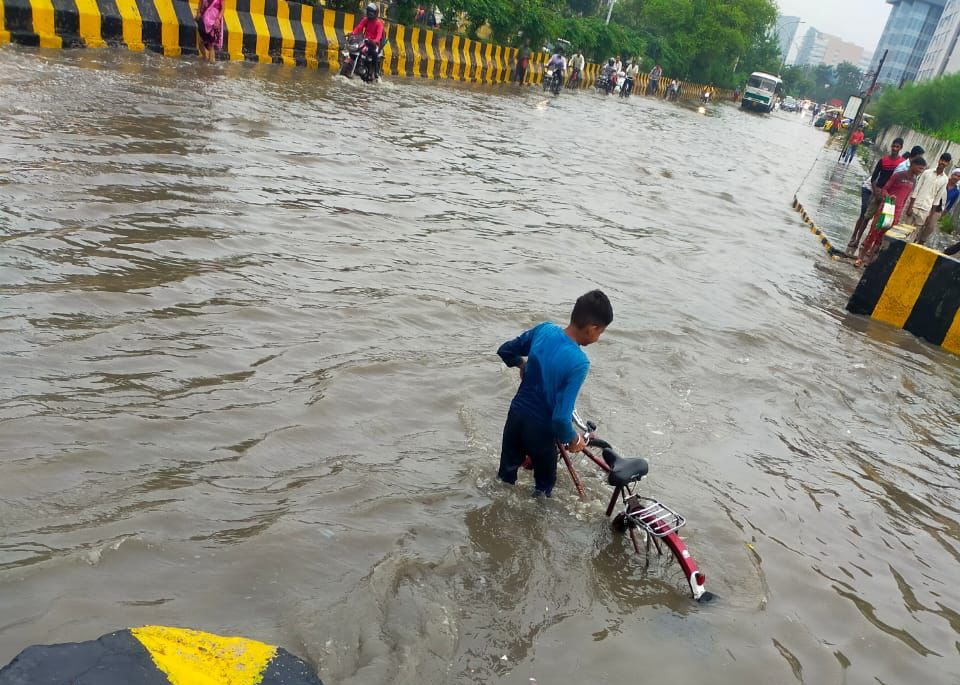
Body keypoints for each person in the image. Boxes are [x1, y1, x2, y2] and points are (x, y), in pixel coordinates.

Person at [496, 290, 613, 497]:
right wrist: (573, 439)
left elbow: (505, 350)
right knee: (543, 490)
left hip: (515, 418)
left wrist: (521, 364)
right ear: (592, 328)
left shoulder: (545, 330)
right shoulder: (579, 362)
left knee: (504, 481)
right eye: (600, 333)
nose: (598, 337)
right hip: (541, 432)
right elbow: (560, 418)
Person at [857, 157, 927, 267]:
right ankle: (860, 257)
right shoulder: (898, 175)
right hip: (886, 208)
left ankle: (869, 261)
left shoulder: (913, 181)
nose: (921, 171)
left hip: (896, 212)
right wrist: (889, 197)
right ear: (912, 165)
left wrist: (901, 212)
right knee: (874, 233)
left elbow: (905, 198)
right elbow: (884, 189)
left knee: (882, 237)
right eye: (920, 168)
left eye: (923, 169)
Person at [847, 137, 904, 254]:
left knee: (882, 222)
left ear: (900, 148)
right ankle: (856, 239)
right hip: (877, 193)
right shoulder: (883, 160)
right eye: (893, 146)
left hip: (889, 197)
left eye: (897, 147)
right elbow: (874, 178)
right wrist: (876, 192)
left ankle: (871, 247)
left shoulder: (901, 163)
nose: (894, 148)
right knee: (866, 216)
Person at [907, 153, 952, 245]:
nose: (943, 162)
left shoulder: (945, 179)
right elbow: (916, 189)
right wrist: (910, 206)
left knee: (914, 234)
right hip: (915, 205)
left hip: (926, 210)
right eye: (942, 160)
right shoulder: (926, 172)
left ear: (948, 164)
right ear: (938, 160)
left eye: (945, 161)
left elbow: (937, 199)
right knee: (905, 229)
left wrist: (930, 216)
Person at [351, 2, 385, 80]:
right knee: (356, 49)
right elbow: (359, 27)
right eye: (368, 11)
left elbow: (379, 35)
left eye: (371, 12)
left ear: (375, 13)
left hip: (374, 43)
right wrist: (352, 34)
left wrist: (375, 41)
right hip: (365, 41)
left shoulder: (379, 24)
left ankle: (376, 72)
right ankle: (358, 66)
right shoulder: (365, 19)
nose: (369, 13)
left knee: (374, 53)